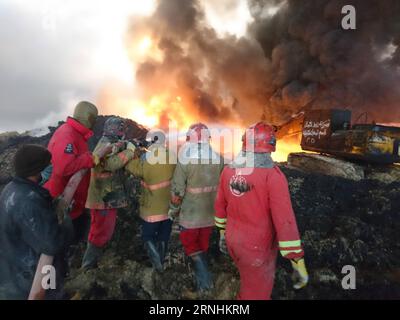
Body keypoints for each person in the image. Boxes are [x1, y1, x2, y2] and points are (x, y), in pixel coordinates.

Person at [214, 122, 309, 300]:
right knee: (256, 294)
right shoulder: (273, 177)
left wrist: (221, 234)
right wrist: (297, 260)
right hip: (257, 250)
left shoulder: (228, 171)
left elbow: (219, 207)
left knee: (247, 282)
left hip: (233, 241)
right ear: (271, 145)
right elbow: (285, 220)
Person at [0, 144, 73, 299]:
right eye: (48, 164)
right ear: (36, 170)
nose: (52, 167)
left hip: (12, 270)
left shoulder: (11, 189)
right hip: (32, 276)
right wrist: (64, 218)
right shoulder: (29, 201)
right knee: (53, 295)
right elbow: (52, 244)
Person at [168, 123, 224, 294]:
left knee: (191, 245)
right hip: (210, 214)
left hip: (191, 215)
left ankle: (205, 282)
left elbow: (177, 191)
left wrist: (173, 209)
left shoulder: (185, 158)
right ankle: (201, 277)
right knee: (202, 244)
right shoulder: (219, 157)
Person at [44, 101, 111, 242]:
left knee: (75, 236)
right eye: (94, 118)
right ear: (88, 118)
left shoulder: (75, 133)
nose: (95, 122)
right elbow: (64, 167)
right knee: (64, 242)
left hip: (74, 202)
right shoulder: (67, 135)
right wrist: (92, 159)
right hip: (64, 201)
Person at [81, 117, 136, 269]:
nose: (123, 133)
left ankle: (92, 264)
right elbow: (111, 164)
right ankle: (87, 268)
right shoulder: (105, 144)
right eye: (122, 130)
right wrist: (130, 151)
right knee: (99, 234)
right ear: (117, 130)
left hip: (106, 197)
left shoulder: (109, 143)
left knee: (102, 232)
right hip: (102, 199)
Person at [125, 131, 176, 272]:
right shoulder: (172, 156)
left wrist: (132, 151)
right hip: (169, 206)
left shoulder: (145, 158)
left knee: (148, 236)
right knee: (164, 235)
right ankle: (162, 259)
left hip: (151, 209)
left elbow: (132, 168)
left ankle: (156, 263)